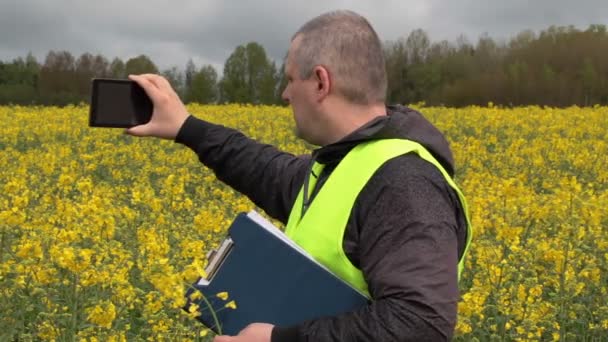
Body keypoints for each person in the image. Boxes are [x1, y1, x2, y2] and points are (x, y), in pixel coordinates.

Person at [126, 10, 471, 342]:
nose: (285, 94)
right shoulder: (342, 165)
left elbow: (420, 325)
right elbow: (262, 167)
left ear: (321, 82)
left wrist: (279, 339)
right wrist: (186, 127)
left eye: (291, 79)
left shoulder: (403, 181)